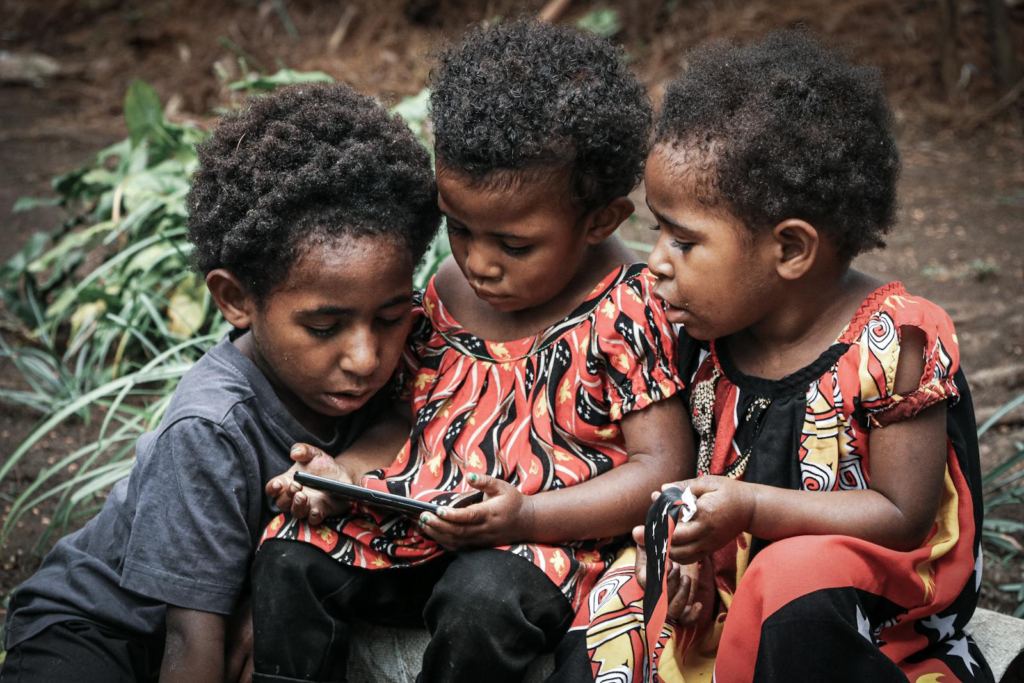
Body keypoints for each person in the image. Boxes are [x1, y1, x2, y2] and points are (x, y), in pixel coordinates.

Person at [251, 18, 693, 683]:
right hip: (424, 522)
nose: (479, 262)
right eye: (459, 227)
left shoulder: (626, 310)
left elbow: (659, 469)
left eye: (513, 245)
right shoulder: (449, 289)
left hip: (538, 547)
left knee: (481, 600)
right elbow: (408, 414)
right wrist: (344, 474)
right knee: (289, 552)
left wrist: (529, 513)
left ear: (600, 220)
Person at [556, 31, 993, 683]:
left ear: (790, 249)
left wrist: (752, 507)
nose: (657, 259)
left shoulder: (895, 340)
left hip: (860, 592)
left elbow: (902, 518)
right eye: (657, 229)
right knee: (616, 602)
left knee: (790, 581)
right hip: (732, 571)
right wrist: (683, 547)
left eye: (683, 239)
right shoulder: (704, 328)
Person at [0, 83, 440, 683]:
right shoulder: (210, 430)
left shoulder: (408, 371)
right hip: (104, 631)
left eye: (390, 318)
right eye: (324, 326)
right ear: (236, 299)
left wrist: (264, 604)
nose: (365, 358)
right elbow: (190, 646)